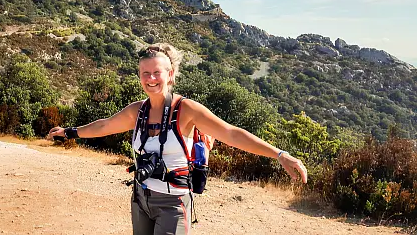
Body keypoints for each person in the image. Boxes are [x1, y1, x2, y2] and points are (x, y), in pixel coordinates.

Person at [48, 43, 308, 235]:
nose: (151, 79)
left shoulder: (186, 111)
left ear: (170, 74)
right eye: (145, 74)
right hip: (141, 198)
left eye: (157, 73)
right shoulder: (136, 111)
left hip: (173, 203)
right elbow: (104, 125)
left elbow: (230, 133)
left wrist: (279, 154)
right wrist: (70, 132)